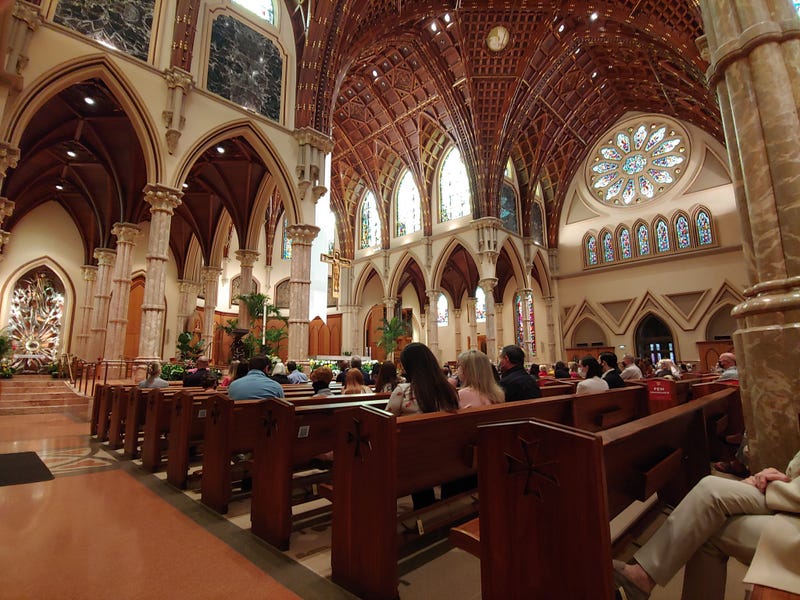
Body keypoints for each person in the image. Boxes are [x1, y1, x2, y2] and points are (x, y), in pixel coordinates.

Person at [613, 450, 800, 600]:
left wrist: (777, 487)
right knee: (710, 489)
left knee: (709, 528)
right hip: (792, 498)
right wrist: (780, 477)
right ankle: (641, 578)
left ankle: (640, 579)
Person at [385, 342, 459, 510]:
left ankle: (422, 509)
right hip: (447, 454)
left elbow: (384, 423)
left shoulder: (403, 391)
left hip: (413, 460)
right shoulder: (449, 391)